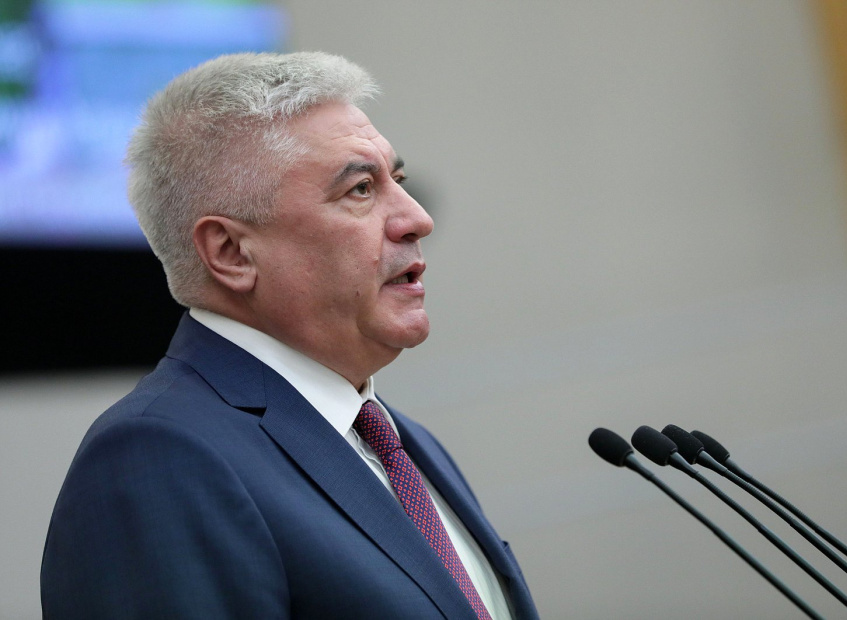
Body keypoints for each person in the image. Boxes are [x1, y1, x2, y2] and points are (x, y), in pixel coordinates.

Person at [40, 52, 539, 619]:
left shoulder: (399, 440)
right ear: (232, 253)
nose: (417, 218)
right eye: (360, 189)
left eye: (396, 181)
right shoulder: (158, 457)